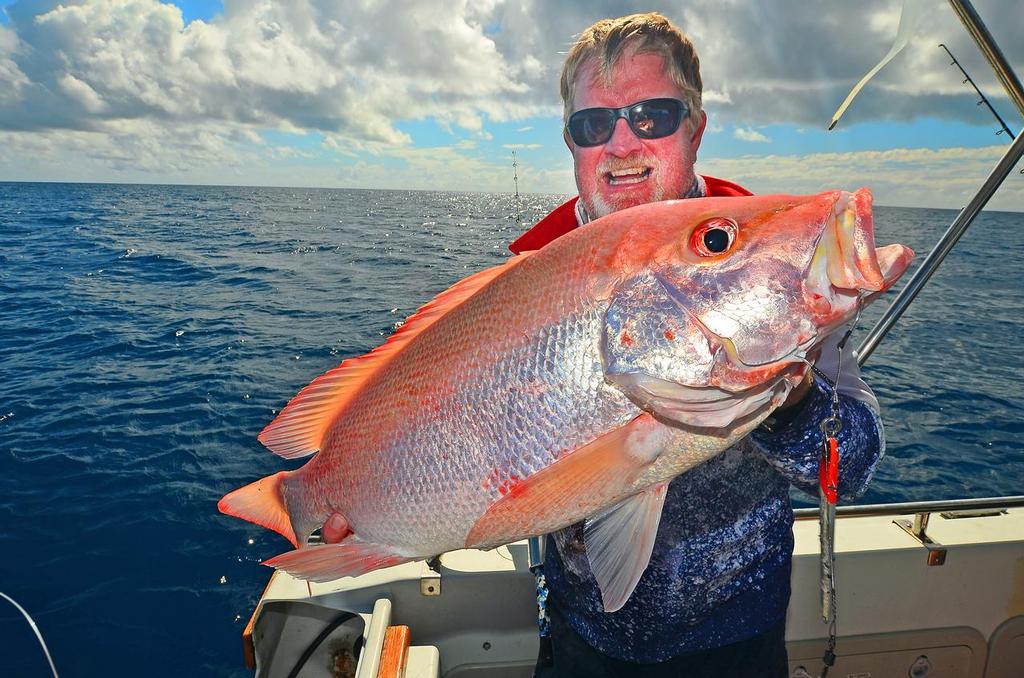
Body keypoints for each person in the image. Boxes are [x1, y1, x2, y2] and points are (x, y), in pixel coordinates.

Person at [510, 13, 884, 678]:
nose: (622, 143)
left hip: (736, 642)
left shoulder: (775, 266)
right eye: (593, 125)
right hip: (580, 638)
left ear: (696, 127)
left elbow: (851, 464)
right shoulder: (528, 282)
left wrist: (792, 400)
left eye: (651, 116)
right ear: (572, 144)